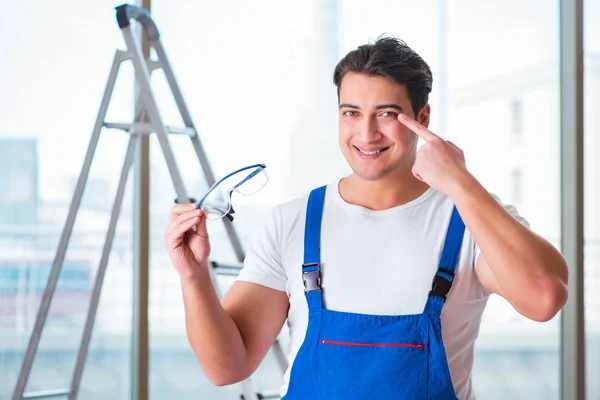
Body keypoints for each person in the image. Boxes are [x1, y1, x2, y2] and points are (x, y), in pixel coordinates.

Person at [164, 37, 569, 399]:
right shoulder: (293, 222)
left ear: (423, 118)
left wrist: (460, 183)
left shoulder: (470, 218)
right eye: (352, 113)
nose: (366, 133)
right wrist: (194, 276)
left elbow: (544, 298)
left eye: (387, 113)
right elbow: (227, 368)